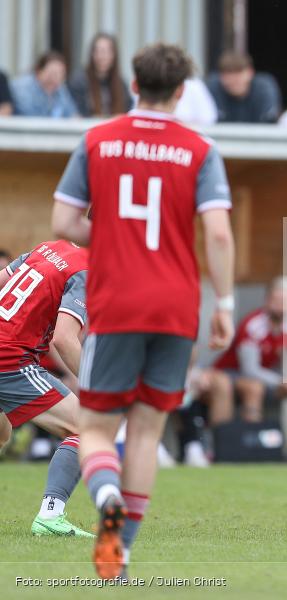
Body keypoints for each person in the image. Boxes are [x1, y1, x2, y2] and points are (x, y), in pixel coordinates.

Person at [50, 43, 235, 579]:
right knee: (148, 432)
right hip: (177, 306)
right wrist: (223, 302)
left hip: (116, 301)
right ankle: (121, 549)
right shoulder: (200, 149)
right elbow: (219, 232)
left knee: (98, 430)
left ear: (133, 85)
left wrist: (110, 237)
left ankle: (104, 496)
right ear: (181, 92)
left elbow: (63, 222)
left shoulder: (97, 140)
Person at [0, 241, 92, 537]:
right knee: (86, 428)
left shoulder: (49, 247)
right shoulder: (87, 270)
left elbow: (3, 279)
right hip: (9, 359)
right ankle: (50, 516)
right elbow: (64, 340)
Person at [212, 277, 287, 460]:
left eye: (285, 301)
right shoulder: (252, 324)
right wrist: (282, 382)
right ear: (267, 300)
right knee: (254, 388)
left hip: (273, 380)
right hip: (235, 374)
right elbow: (249, 369)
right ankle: (252, 448)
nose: (280, 306)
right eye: (276, 300)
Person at [206, 51, 281, 123]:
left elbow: (268, 124)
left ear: (250, 72)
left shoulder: (264, 88)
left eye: (238, 72)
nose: (233, 79)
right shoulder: (212, 88)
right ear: (220, 76)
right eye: (228, 73)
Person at [69, 33, 131, 117]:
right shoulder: (80, 81)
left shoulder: (121, 83)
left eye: (105, 52)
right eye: (96, 51)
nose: (101, 56)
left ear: (114, 55)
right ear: (92, 54)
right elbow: (79, 113)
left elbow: (127, 111)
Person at [11, 51, 79, 118]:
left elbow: (73, 115)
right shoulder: (23, 87)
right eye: (52, 73)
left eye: (60, 73)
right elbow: (31, 117)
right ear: (39, 71)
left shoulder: (60, 89)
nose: (56, 78)